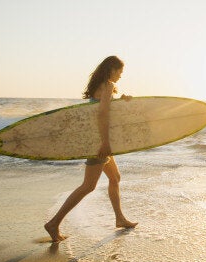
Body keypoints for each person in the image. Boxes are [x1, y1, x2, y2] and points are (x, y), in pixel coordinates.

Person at [45, 56, 137, 242]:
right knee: (88, 186)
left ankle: (119, 218)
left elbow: (103, 107)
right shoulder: (108, 86)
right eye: (120, 71)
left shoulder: (102, 86)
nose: (121, 75)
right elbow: (102, 115)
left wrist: (121, 100)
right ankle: (53, 223)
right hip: (98, 142)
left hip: (96, 139)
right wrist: (105, 142)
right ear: (112, 69)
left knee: (115, 178)